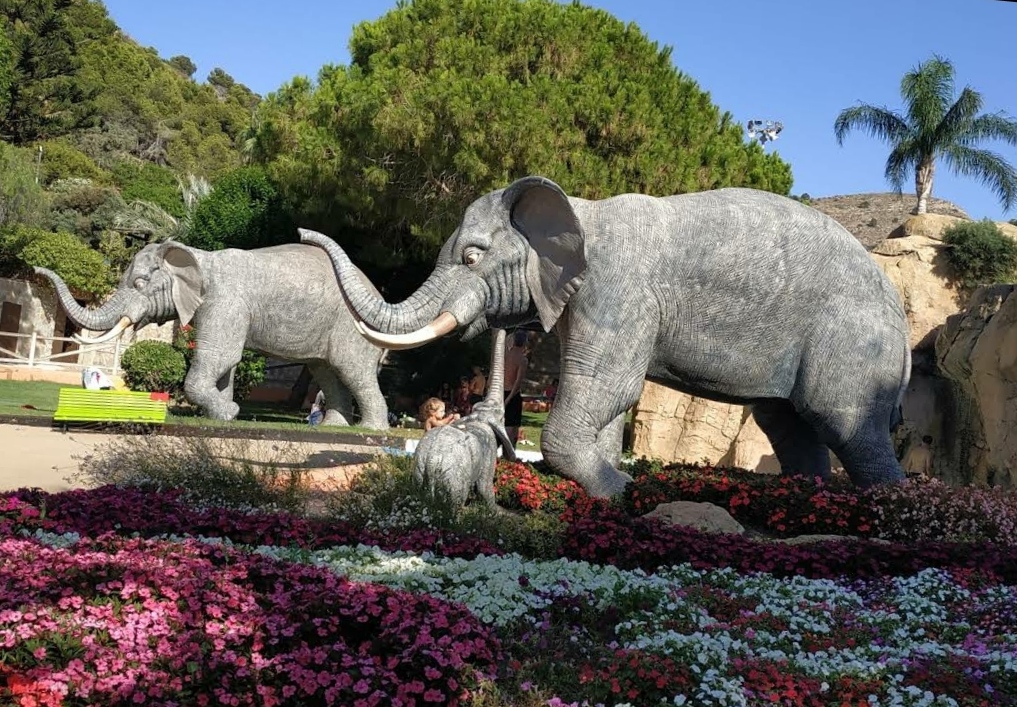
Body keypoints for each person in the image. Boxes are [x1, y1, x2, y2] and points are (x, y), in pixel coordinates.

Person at [504, 329, 530, 445]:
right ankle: (508, 452)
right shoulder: (522, 360)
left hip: (501, 392)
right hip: (512, 394)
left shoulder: (505, 355)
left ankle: (506, 451)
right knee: (511, 427)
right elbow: (518, 382)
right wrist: (509, 399)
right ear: (525, 342)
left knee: (506, 424)